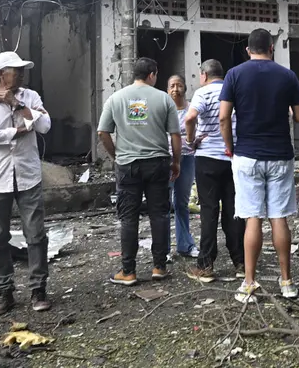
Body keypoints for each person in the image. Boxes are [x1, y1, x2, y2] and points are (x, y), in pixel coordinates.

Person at [220, 29, 299, 302]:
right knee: (278, 217)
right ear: (272, 48)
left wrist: (230, 147)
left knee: (252, 219)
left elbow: (224, 117)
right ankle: (287, 283)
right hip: (280, 154)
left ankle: (248, 284)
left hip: (247, 155)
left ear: (248, 50)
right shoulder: (287, 75)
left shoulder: (234, 74)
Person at [0, 52, 53, 315]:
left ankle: (38, 288)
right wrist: (18, 130)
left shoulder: (30, 97)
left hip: (28, 175)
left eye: (21, 70)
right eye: (15, 70)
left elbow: (43, 126)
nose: (20, 74)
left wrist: (17, 105)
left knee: (36, 235)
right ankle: (4, 291)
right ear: (0, 74)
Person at [99, 57, 181, 286]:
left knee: (128, 217)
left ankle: (128, 271)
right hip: (158, 164)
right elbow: (175, 135)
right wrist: (176, 162)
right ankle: (159, 267)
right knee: (159, 214)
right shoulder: (164, 99)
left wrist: (116, 156)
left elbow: (102, 132)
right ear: (152, 74)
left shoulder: (115, 98)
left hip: (128, 166)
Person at [184, 60, 245, 283]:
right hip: (233, 158)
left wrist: (191, 140)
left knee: (209, 211)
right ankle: (241, 263)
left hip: (207, 159)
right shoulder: (234, 91)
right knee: (234, 211)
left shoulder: (202, 93)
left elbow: (190, 117)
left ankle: (206, 265)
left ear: (204, 75)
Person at [167, 75, 199, 259]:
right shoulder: (165, 109)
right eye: (172, 86)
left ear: (185, 88)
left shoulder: (191, 109)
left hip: (187, 158)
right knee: (163, 204)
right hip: (167, 159)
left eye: (179, 85)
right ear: (167, 89)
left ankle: (185, 245)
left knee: (181, 203)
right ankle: (162, 251)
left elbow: (199, 130)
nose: (176, 89)